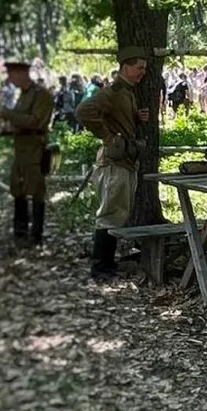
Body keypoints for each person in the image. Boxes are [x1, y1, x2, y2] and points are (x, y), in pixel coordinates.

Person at [75, 47, 150, 281]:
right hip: (114, 163)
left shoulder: (127, 92)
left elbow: (116, 117)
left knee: (117, 213)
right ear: (125, 67)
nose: (142, 73)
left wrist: (135, 119)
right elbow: (83, 111)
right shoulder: (114, 91)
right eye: (139, 68)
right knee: (109, 214)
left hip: (125, 161)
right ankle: (101, 267)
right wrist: (108, 137)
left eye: (144, 69)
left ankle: (107, 264)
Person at [0, 58, 54, 246]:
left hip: (35, 151)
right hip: (21, 150)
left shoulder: (41, 95)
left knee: (36, 191)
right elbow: (20, 122)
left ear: (22, 74)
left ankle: (35, 236)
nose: (10, 79)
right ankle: (20, 233)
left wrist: (8, 114)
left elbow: (36, 122)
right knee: (18, 190)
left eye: (11, 75)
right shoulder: (23, 94)